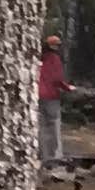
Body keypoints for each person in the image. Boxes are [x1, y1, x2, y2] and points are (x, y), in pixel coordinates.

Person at [36, 30, 68, 173]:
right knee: (54, 125)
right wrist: (67, 88)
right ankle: (55, 156)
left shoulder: (38, 59)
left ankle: (44, 156)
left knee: (42, 127)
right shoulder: (55, 59)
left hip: (38, 96)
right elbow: (57, 79)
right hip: (51, 96)